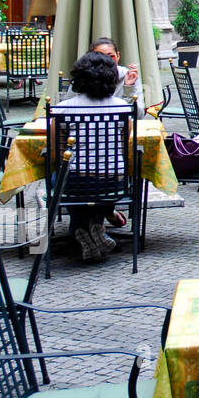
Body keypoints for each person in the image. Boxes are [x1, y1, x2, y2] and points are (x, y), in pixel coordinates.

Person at [54, 51, 145, 262]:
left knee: (61, 177)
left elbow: (57, 155)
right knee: (103, 174)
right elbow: (124, 148)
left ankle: (79, 229)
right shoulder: (124, 108)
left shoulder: (61, 109)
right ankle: (96, 226)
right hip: (114, 183)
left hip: (76, 183)